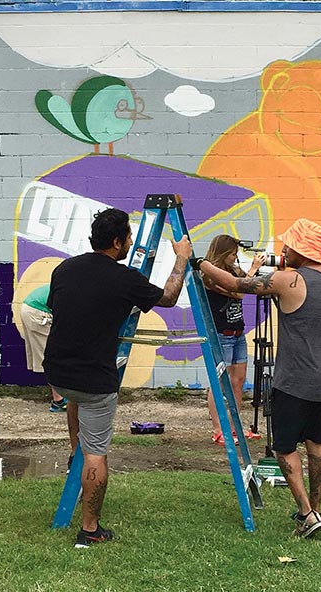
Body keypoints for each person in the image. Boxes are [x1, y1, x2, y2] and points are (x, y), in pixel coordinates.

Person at [44, 208, 192, 548]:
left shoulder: (65, 268)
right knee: (96, 454)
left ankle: (75, 452)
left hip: (57, 374)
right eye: (127, 238)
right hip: (94, 381)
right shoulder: (125, 279)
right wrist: (181, 258)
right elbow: (169, 298)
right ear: (116, 242)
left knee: (76, 401)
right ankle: (90, 530)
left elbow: (64, 307)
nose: (130, 242)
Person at [195, 218, 321, 539]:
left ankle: (306, 513)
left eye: (288, 245)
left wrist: (201, 264)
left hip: (294, 380)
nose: (284, 250)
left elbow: (236, 285)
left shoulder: (288, 279)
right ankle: (315, 507)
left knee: (284, 447)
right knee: (316, 443)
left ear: (301, 249)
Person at [200, 234, 265, 444]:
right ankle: (218, 429)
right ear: (222, 253)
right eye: (232, 254)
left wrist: (255, 269)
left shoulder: (233, 270)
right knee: (219, 382)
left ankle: (234, 427)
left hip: (237, 333)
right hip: (221, 334)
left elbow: (249, 282)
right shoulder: (209, 274)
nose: (235, 257)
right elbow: (238, 292)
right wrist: (253, 269)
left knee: (238, 381)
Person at [18, 284, 67, 412]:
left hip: (33, 308)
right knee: (53, 356)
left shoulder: (72, 286)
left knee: (53, 355)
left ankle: (61, 397)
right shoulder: (79, 295)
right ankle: (58, 401)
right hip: (38, 313)